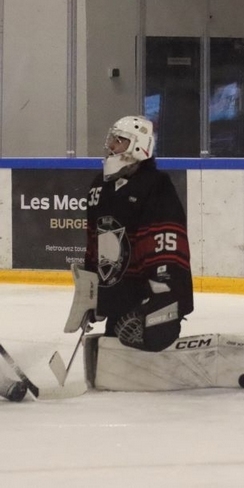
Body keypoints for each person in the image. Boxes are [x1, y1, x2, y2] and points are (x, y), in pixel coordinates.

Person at [83, 115, 193, 352]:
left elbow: (164, 240)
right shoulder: (99, 186)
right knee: (116, 338)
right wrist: (90, 294)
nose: (111, 146)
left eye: (119, 140)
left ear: (138, 146)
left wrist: (163, 292)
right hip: (118, 292)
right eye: (112, 139)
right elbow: (95, 243)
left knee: (152, 335)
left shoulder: (155, 185)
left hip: (147, 295)